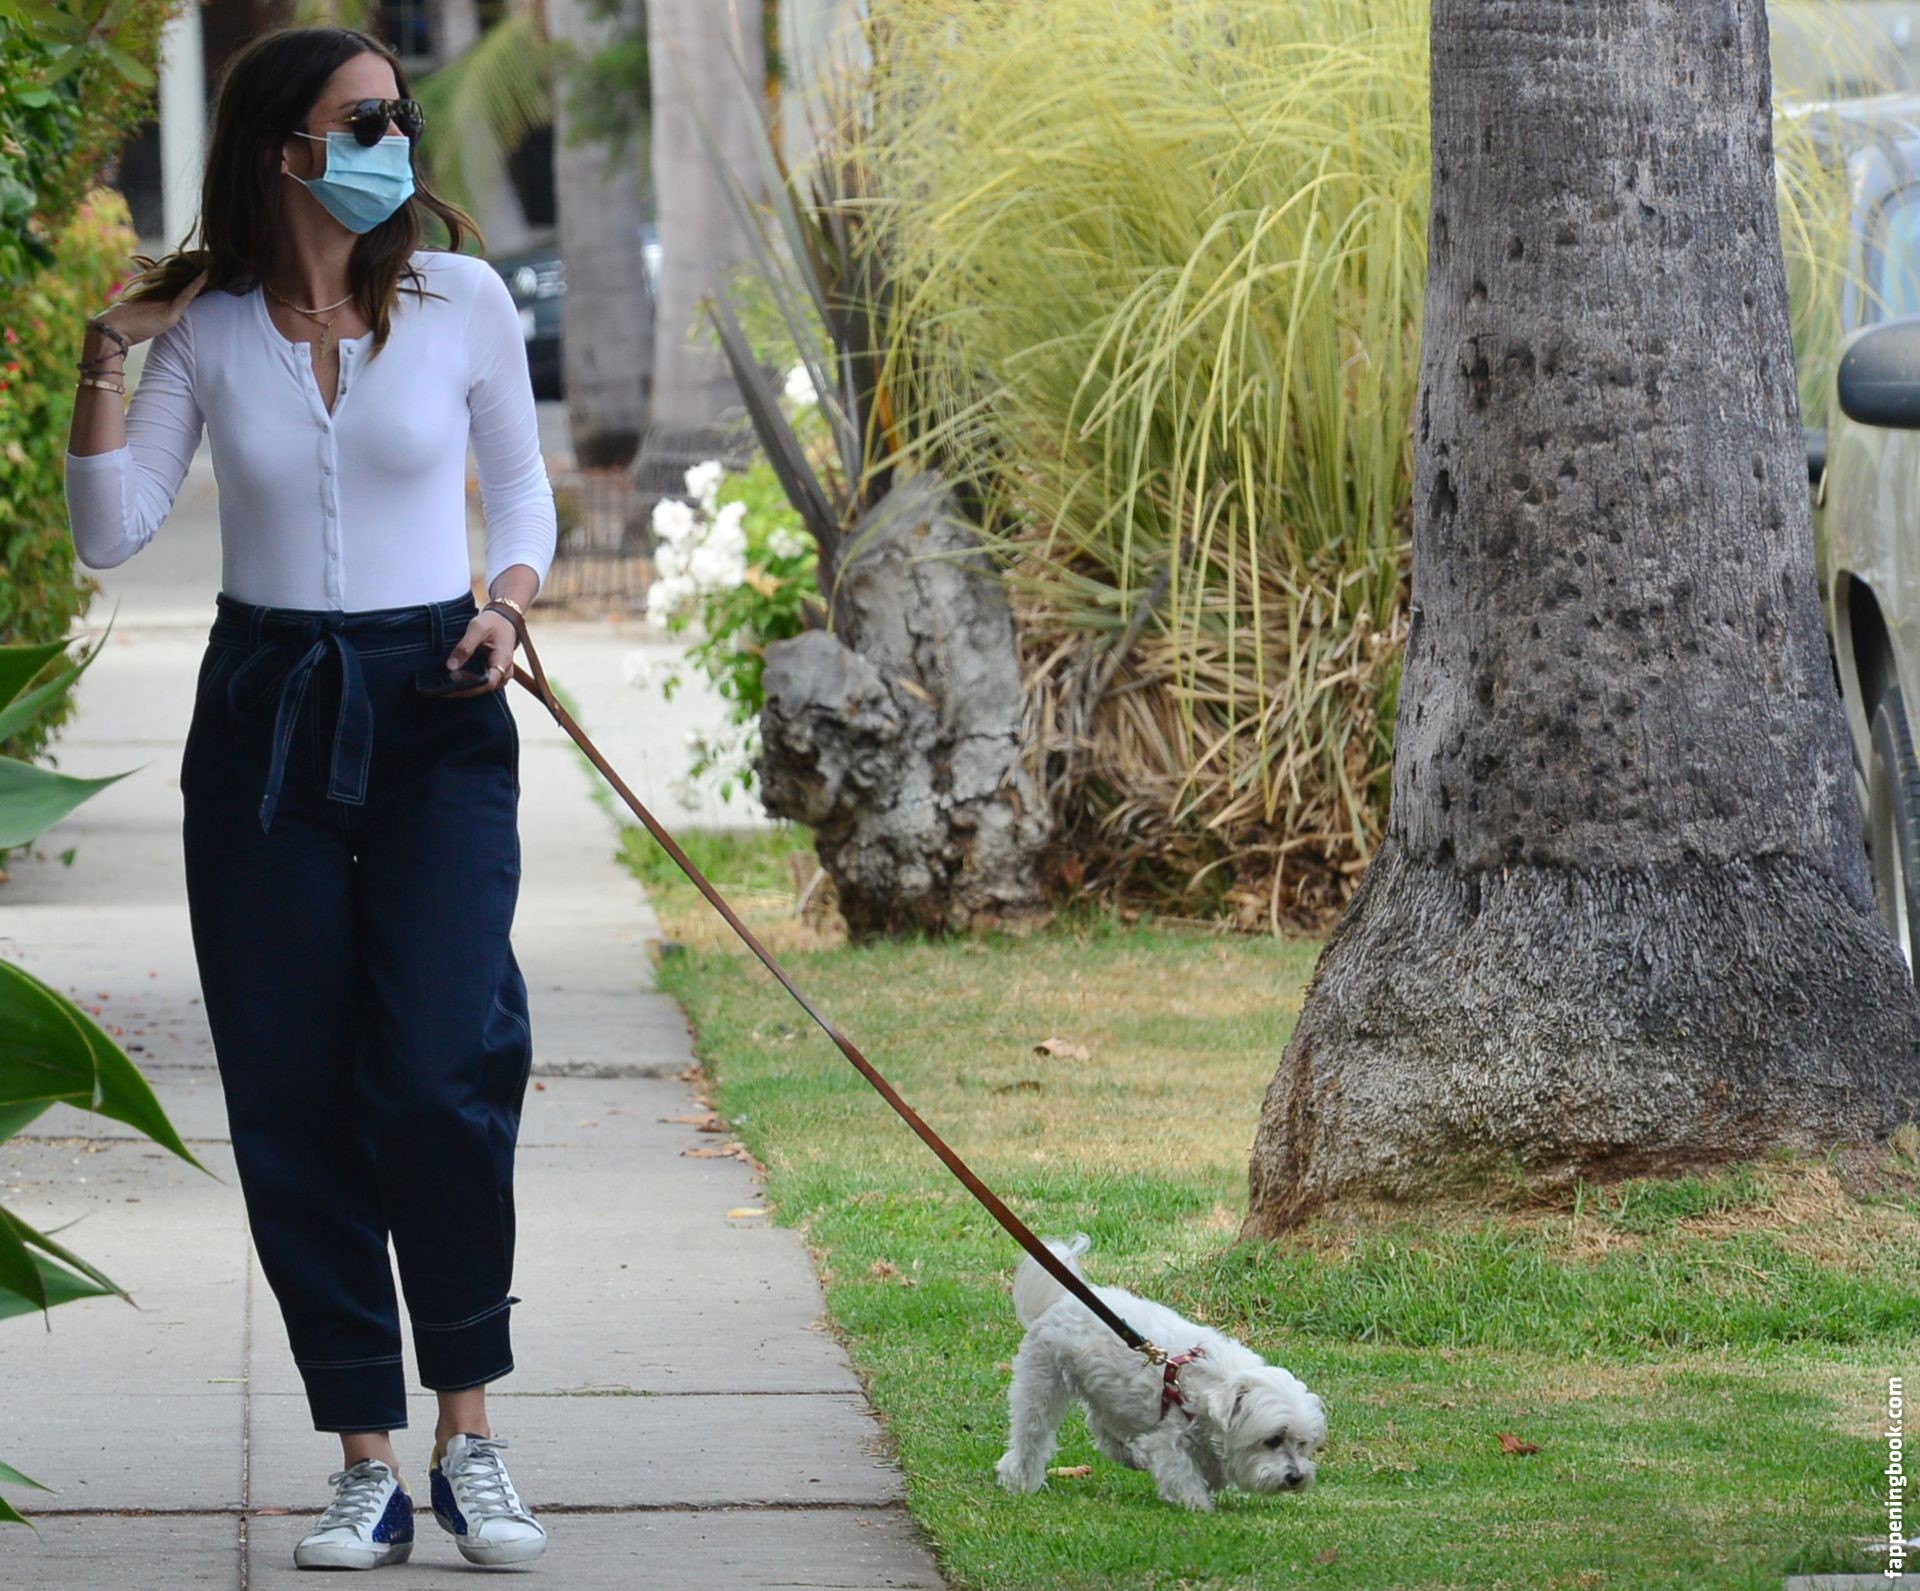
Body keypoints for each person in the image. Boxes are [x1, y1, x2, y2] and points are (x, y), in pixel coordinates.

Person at [63, 24, 557, 1572]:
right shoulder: (208, 330)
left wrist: (510, 603)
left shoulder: (462, 301)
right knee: (290, 1090)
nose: (392, 142)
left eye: (399, 117)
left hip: (439, 704)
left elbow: (520, 489)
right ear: (283, 144)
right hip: (265, 720)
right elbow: (111, 529)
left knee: (439, 1067)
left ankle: (471, 1434)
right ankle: (366, 1459)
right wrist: (106, 348)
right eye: (362, 121)